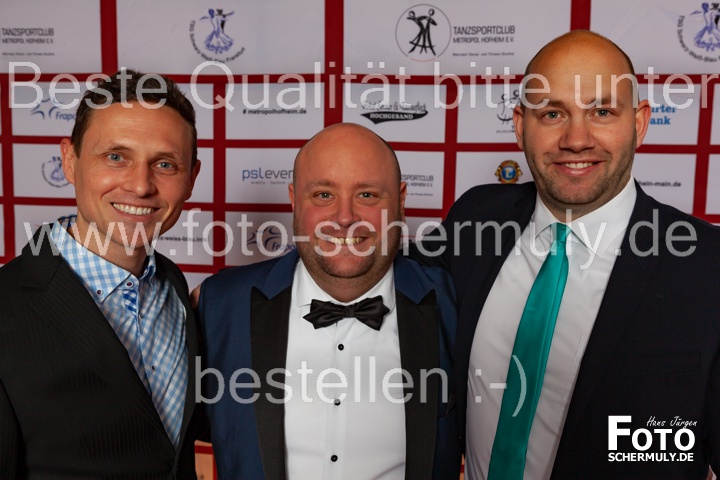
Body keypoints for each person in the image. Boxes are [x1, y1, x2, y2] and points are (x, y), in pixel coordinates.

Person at [414, 30, 720, 479]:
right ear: (521, 125)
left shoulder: (708, 269)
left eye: (602, 112)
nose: (576, 140)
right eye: (553, 113)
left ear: (639, 123)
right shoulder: (475, 217)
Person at [197, 123, 461, 479]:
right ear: (294, 200)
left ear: (401, 202)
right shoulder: (219, 304)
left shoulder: (455, 302)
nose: (344, 217)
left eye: (367, 194)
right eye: (323, 194)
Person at [0, 69, 202, 478]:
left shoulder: (177, 291)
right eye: (116, 157)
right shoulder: (7, 305)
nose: (140, 185)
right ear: (69, 160)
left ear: (191, 178)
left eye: (165, 164)